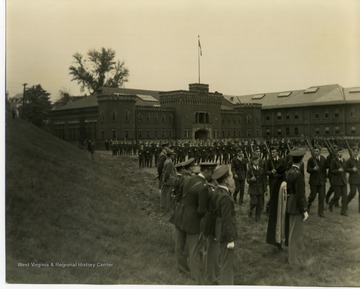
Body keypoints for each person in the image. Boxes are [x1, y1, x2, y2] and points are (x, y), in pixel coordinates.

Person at [173, 162, 217, 283]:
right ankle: (195, 276)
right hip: (192, 221)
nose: (212, 176)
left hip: (180, 216)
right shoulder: (203, 187)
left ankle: (183, 270)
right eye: (212, 173)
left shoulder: (188, 179)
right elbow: (201, 210)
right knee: (194, 249)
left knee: (179, 246)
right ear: (207, 171)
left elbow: (181, 195)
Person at [286, 149, 309, 267]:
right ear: (300, 161)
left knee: (293, 232)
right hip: (296, 205)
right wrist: (304, 210)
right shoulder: (298, 175)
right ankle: (293, 260)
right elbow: (300, 194)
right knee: (295, 234)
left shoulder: (289, 172)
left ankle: (294, 257)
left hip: (291, 203)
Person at [266, 164, 288, 249]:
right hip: (280, 206)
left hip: (275, 206)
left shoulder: (276, 182)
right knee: (280, 223)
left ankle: (277, 241)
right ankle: (279, 241)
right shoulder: (283, 183)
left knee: (275, 223)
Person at [306, 145, 327, 217]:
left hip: (321, 181)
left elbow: (324, 170)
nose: (316, 152)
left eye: (317, 151)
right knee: (312, 196)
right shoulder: (311, 159)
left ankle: (320, 213)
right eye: (315, 151)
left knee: (321, 197)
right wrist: (313, 169)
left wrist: (324, 179)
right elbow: (308, 169)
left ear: (320, 151)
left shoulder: (323, 159)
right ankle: (307, 207)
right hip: (314, 181)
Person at [265, 146, 286, 213]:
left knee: (280, 195)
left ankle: (279, 209)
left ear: (277, 152)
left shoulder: (282, 160)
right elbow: (266, 171)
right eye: (271, 152)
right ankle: (269, 209)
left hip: (280, 180)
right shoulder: (269, 160)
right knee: (273, 195)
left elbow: (285, 170)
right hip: (272, 181)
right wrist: (271, 172)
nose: (272, 153)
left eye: (274, 152)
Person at [247, 155, 267, 222]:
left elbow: (264, 180)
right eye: (255, 161)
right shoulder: (250, 170)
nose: (257, 162)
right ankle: (251, 209)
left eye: (257, 160)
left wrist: (265, 190)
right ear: (252, 162)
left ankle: (257, 217)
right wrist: (251, 179)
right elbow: (247, 180)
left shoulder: (261, 169)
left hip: (260, 189)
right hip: (253, 189)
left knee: (259, 204)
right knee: (255, 202)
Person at [329, 147, 348, 216]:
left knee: (345, 197)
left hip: (344, 181)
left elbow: (346, 169)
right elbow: (331, 170)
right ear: (337, 153)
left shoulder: (344, 161)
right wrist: (338, 171)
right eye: (339, 152)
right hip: (337, 181)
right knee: (337, 196)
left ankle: (343, 211)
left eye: (342, 152)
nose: (341, 153)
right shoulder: (334, 161)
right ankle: (331, 203)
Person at [345, 146, 360, 213]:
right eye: (354, 152)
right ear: (352, 152)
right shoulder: (349, 160)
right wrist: (352, 170)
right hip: (353, 180)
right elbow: (346, 169)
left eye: (357, 152)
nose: (355, 153)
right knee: (352, 193)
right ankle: (345, 203)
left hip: (359, 179)